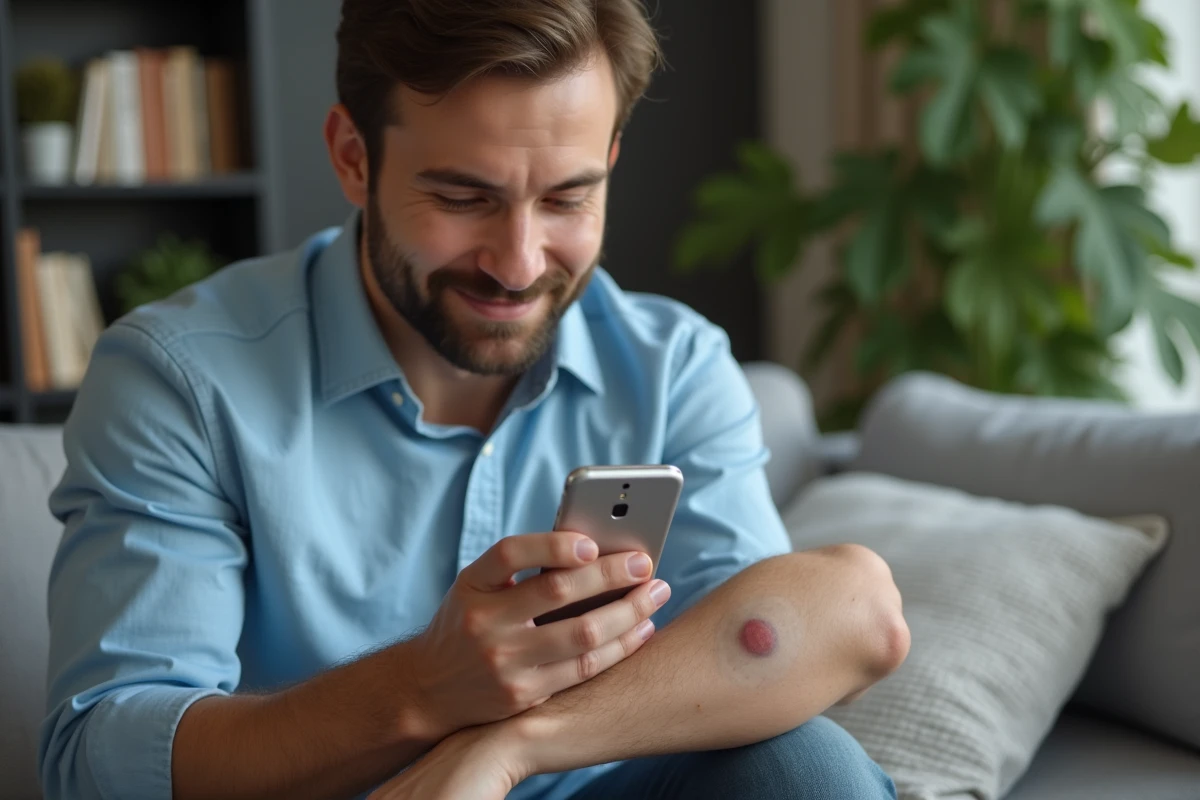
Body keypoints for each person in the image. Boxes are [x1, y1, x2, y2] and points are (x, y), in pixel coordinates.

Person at [38, 2, 909, 798]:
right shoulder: (180, 380)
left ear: (610, 162)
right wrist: (422, 689)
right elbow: (102, 758)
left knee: (806, 767)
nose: (519, 263)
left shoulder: (672, 364)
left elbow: (852, 620)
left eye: (567, 198)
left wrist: (507, 747)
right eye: (463, 198)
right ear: (353, 157)